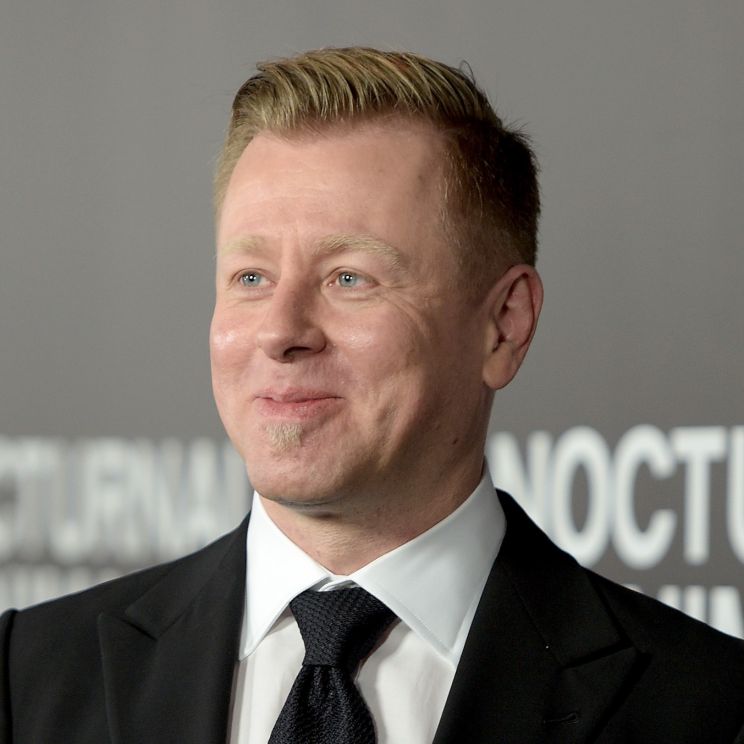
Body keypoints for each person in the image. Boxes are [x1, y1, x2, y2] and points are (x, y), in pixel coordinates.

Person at [1, 46, 743, 744]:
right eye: (251, 277)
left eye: (349, 278)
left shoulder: (710, 709)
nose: (281, 331)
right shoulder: (26, 676)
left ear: (503, 326)